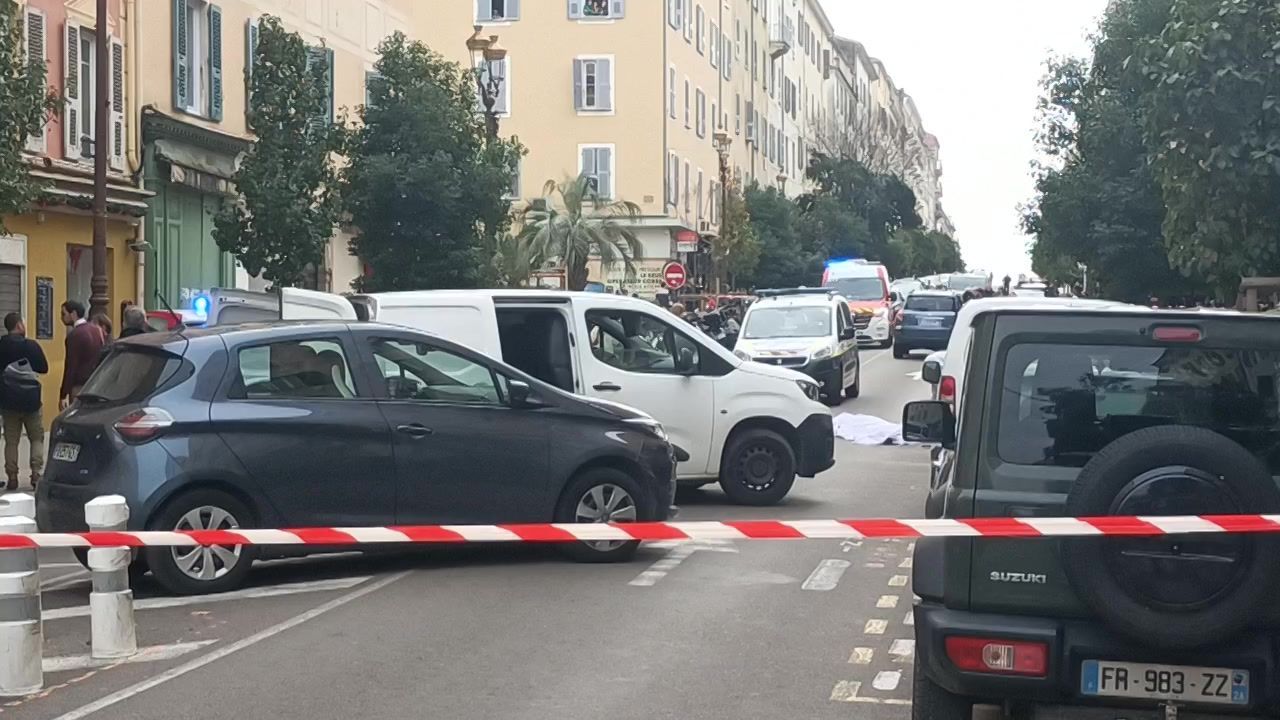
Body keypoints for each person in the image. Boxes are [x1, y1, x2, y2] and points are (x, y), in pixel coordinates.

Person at [0, 313, 47, 491]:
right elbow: (44, 368)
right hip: (31, 401)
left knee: (11, 440)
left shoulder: (1, 345)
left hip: (8, 401)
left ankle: (12, 476)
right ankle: (35, 474)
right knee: (36, 437)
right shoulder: (31, 346)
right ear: (19, 325)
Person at [59, 300, 105, 410]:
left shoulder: (74, 335)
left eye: (64, 314)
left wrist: (63, 394)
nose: (62, 318)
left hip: (79, 386)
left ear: (73, 314)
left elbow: (71, 366)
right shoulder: (96, 331)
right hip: (96, 384)